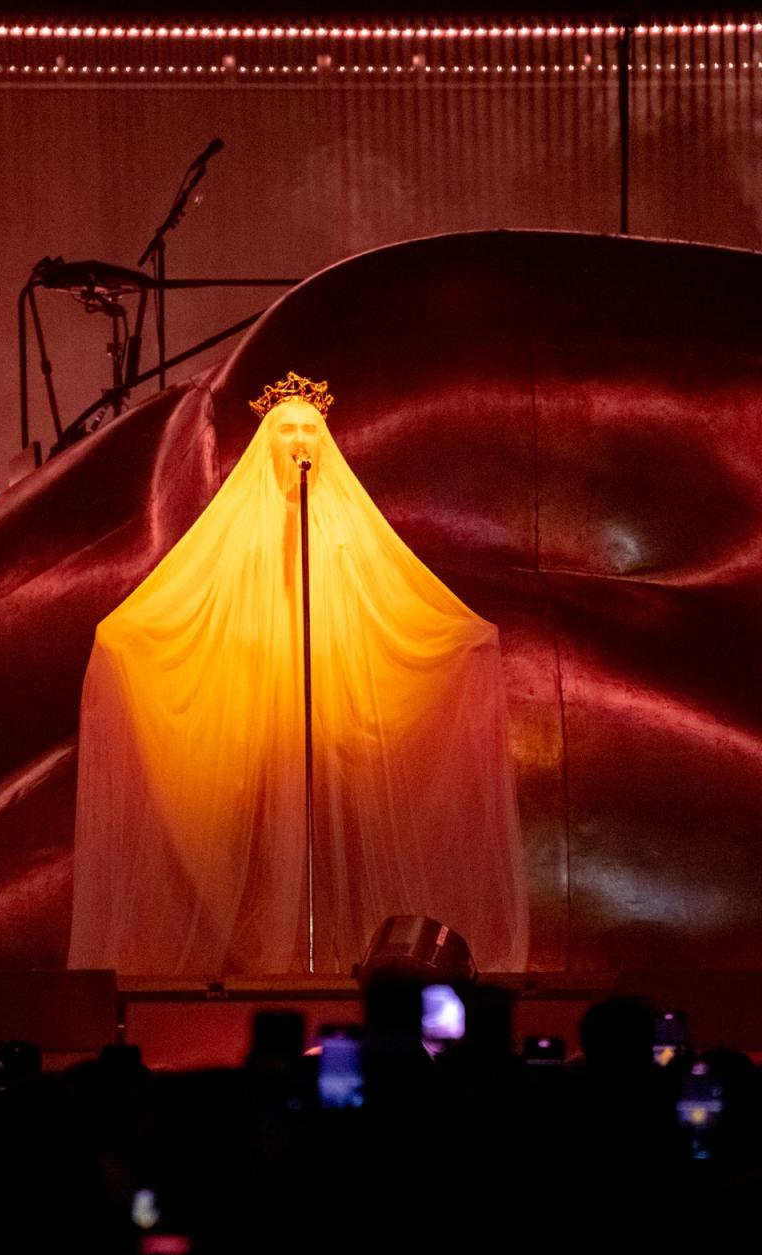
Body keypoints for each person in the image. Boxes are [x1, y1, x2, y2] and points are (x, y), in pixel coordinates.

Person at [69, 372, 529, 976]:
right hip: (258, 703)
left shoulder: (343, 533)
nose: (300, 442)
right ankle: (271, 953)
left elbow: (396, 605)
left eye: (310, 430)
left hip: (327, 708)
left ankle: (340, 952)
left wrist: (458, 640)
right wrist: (131, 638)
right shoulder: (238, 536)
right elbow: (188, 602)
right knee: (259, 847)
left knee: (338, 839)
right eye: (286, 430)